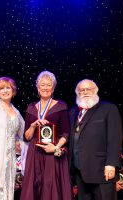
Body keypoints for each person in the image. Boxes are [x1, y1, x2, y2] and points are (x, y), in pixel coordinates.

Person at [20, 71, 72, 200]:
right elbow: (26, 136)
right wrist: (33, 125)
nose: (45, 88)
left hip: (52, 152)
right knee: (34, 186)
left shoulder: (61, 106)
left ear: (53, 88)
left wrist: (55, 147)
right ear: (37, 87)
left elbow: (66, 132)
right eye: (42, 85)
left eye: (49, 85)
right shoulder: (31, 107)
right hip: (35, 153)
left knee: (51, 186)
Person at [69, 79, 123, 200]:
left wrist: (111, 163)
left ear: (96, 91)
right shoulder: (72, 112)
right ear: (77, 93)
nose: (85, 92)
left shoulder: (109, 108)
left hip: (102, 170)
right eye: (82, 90)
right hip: (79, 171)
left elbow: (115, 138)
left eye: (89, 89)